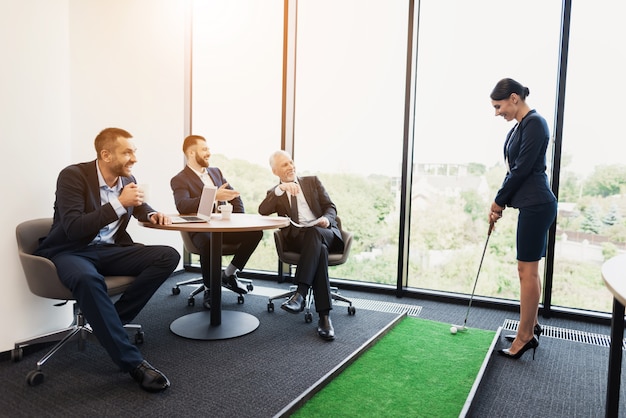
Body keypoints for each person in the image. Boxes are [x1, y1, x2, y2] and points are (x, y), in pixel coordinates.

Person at [35, 127, 180, 392]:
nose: (134, 158)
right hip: (71, 250)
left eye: (134, 151)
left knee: (167, 255)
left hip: (110, 251)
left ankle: (109, 322)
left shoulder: (127, 179)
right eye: (128, 152)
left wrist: (151, 214)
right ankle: (133, 364)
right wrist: (118, 204)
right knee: (86, 278)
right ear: (106, 154)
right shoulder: (73, 176)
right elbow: (74, 228)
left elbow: (137, 205)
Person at [488, 78, 557, 360]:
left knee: (525, 272)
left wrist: (498, 200)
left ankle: (525, 335)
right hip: (532, 204)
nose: (496, 112)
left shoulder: (535, 124)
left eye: (498, 106)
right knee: (529, 272)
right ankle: (532, 325)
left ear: (514, 98)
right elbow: (512, 169)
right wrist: (499, 204)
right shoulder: (520, 126)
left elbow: (521, 170)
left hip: (537, 205)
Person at [259, 150, 344, 341]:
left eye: (291, 162)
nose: (290, 167)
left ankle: (300, 294)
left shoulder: (312, 181)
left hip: (325, 232)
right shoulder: (276, 192)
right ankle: (324, 317)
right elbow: (263, 210)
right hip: (299, 241)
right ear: (275, 171)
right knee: (318, 249)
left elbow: (331, 207)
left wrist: (326, 219)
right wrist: (281, 190)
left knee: (315, 234)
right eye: (284, 165)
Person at [170, 135, 262, 309]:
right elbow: (182, 205)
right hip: (199, 230)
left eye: (208, 149)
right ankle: (209, 288)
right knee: (209, 241)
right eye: (204, 149)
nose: (208, 153)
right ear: (191, 152)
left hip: (222, 228)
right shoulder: (180, 179)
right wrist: (213, 195)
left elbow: (234, 196)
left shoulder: (216, 172)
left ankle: (228, 274)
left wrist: (238, 220)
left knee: (255, 233)